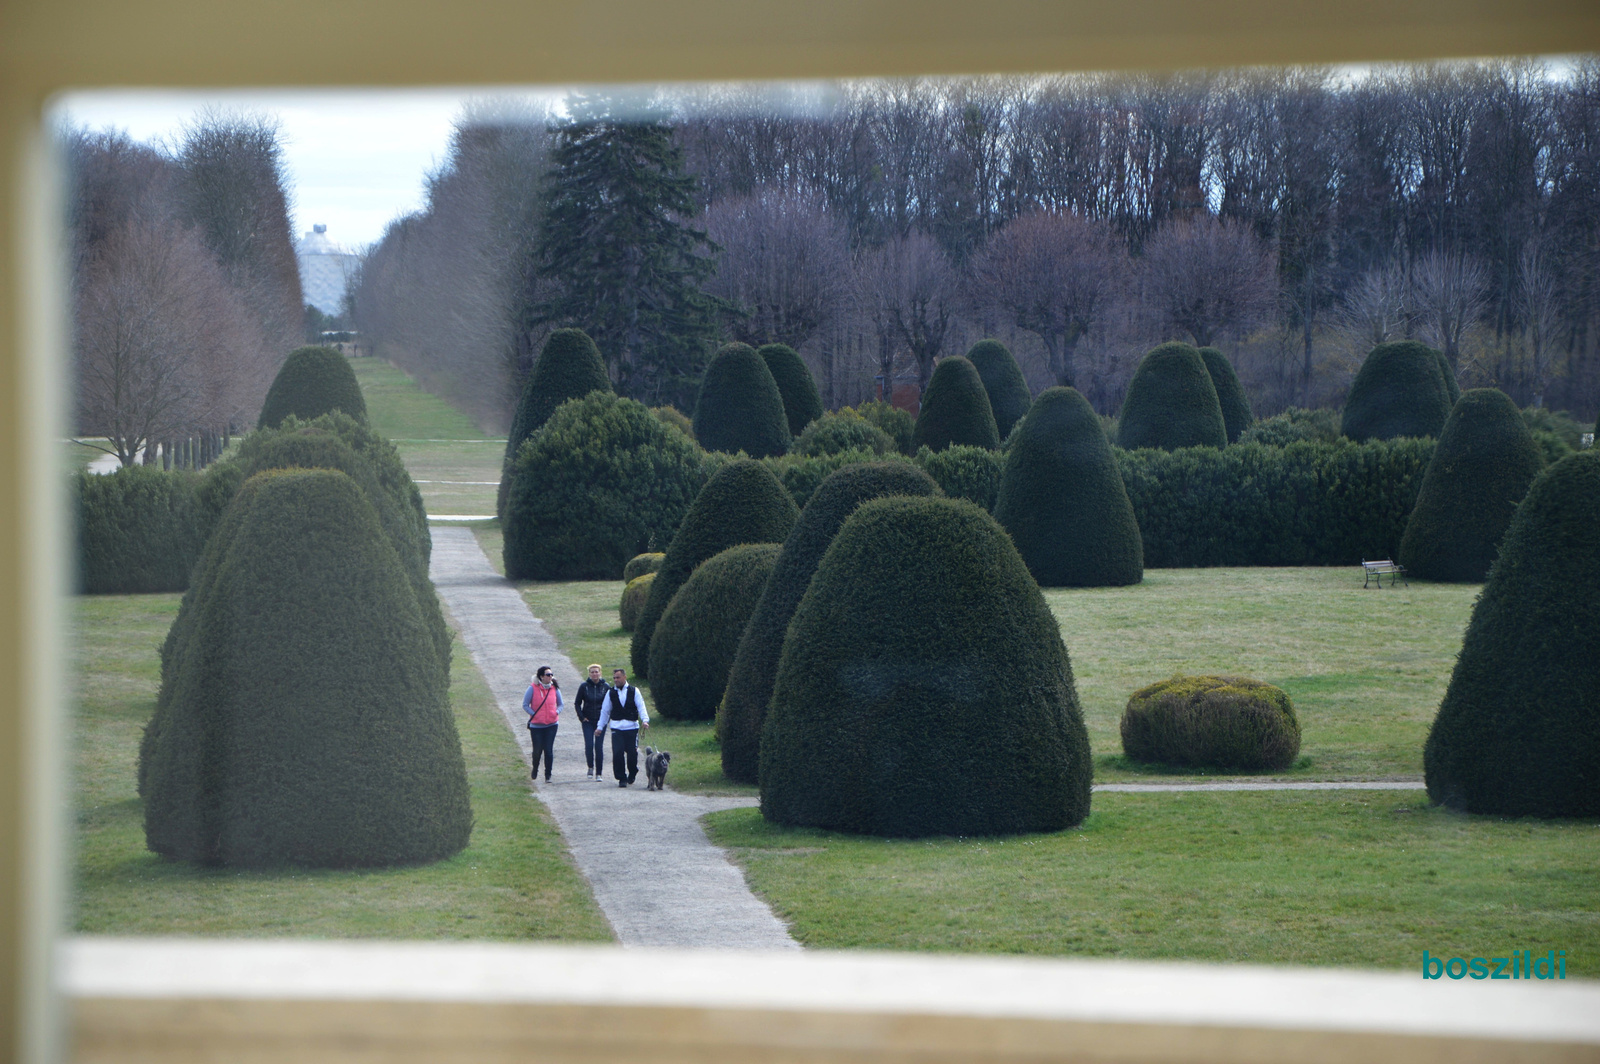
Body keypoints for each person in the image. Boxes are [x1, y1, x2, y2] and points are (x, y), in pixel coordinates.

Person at [596, 666, 649, 787]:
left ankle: (632, 771)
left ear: (624, 677)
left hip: (632, 728)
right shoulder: (611, 692)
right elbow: (605, 711)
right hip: (617, 728)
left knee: (632, 754)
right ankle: (621, 778)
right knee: (618, 753)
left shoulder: (634, 691)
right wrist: (600, 727)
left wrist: (645, 720)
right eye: (614, 678)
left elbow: (641, 706)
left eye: (618, 677)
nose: (616, 680)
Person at [523, 666, 562, 782]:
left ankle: (548, 774)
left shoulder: (554, 688)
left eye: (551, 674)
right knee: (537, 750)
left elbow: (561, 704)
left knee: (548, 750)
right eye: (547, 675)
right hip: (537, 725)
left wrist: (556, 712)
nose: (550, 677)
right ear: (541, 676)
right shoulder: (532, 688)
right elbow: (525, 704)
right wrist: (534, 714)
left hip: (552, 724)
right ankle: (535, 768)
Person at [574, 663, 611, 780]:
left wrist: (607, 718)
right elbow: (577, 703)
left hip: (601, 721)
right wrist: (582, 717)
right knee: (589, 745)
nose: (595, 674)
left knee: (598, 746)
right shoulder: (584, 686)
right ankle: (590, 766)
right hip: (588, 721)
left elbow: (611, 704)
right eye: (592, 672)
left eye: (596, 671)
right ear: (589, 674)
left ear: (600, 673)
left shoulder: (606, 687)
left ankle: (599, 773)